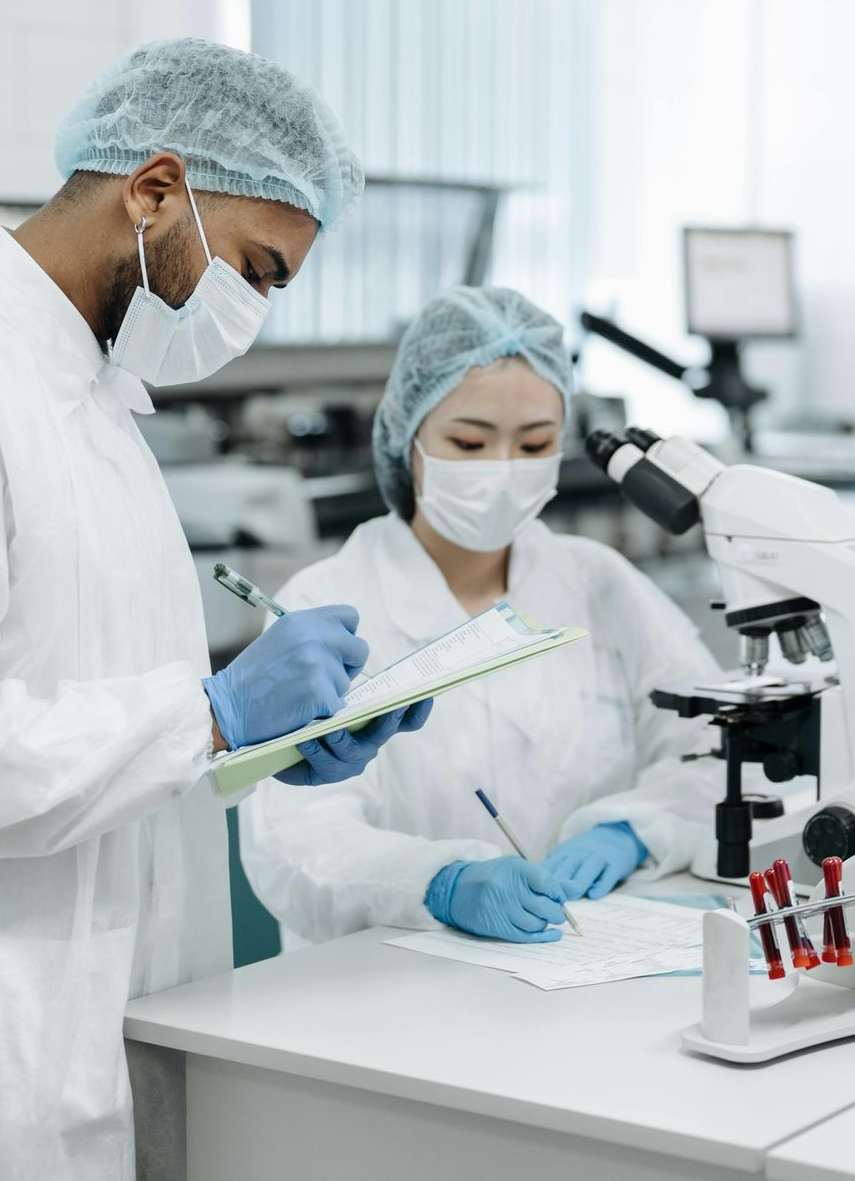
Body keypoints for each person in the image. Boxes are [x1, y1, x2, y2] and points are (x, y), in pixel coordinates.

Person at [0, 39, 428, 1181]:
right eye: (256, 270)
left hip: (92, 1036)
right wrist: (209, 714)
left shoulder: (93, 398)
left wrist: (258, 745)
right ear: (154, 190)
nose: (253, 309)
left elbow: (88, 712)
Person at [239, 287, 720, 949]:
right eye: (469, 442)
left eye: (535, 444)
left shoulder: (600, 583)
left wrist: (636, 828)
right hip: (388, 983)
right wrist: (438, 883)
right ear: (407, 437)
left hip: (586, 966)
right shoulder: (325, 604)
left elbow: (714, 751)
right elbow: (296, 841)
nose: (502, 471)